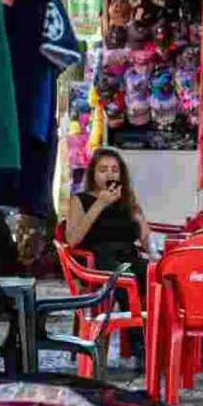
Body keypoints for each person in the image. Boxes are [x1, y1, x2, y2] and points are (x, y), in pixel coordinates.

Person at [64, 148, 151, 364]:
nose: (110, 174)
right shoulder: (81, 200)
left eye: (114, 170)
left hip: (129, 256)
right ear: (93, 174)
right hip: (98, 260)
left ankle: (183, 342)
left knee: (165, 277)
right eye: (103, 170)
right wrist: (100, 204)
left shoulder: (127, 201)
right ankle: (141, 348)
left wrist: (141, 222)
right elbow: (72, 239)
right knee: (125, 278)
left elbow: (145, 244)